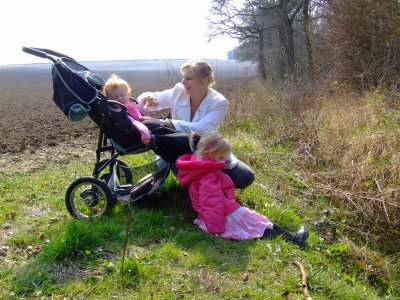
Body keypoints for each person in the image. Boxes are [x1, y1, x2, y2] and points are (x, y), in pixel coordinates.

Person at [175, 132, 309, 249]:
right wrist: (215, 228)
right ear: (206, 154)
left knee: (258, 222)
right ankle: (295, 239)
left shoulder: (199, 167)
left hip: (224, 210)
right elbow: (211, 203)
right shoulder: (208, 175)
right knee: (259, 224)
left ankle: (292, 237)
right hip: (224, 215)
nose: (224, 162)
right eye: (221, 158)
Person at [137, 59, 254, 189]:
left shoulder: (219, 102)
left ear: (203, 80)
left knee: (245, 177)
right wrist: (146, 99)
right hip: (179, 148)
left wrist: (168, 123)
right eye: (183, 77)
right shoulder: (179, 90)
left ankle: (202, 178)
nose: (183, 82)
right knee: (195, 180)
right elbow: (147, 99)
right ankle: (191, 177)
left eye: (188, 78)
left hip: (206, 149)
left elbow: (203, 129)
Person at [103, 74, 152, 144]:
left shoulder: (130, 106)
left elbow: (140, 116)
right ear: (108, 99)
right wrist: (145, 134)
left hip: (144, 126)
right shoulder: (119, 112)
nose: (119, 98)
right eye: (114, 98)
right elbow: (135, 122)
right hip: (138, 135)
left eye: (122, 95)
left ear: (129, 95)